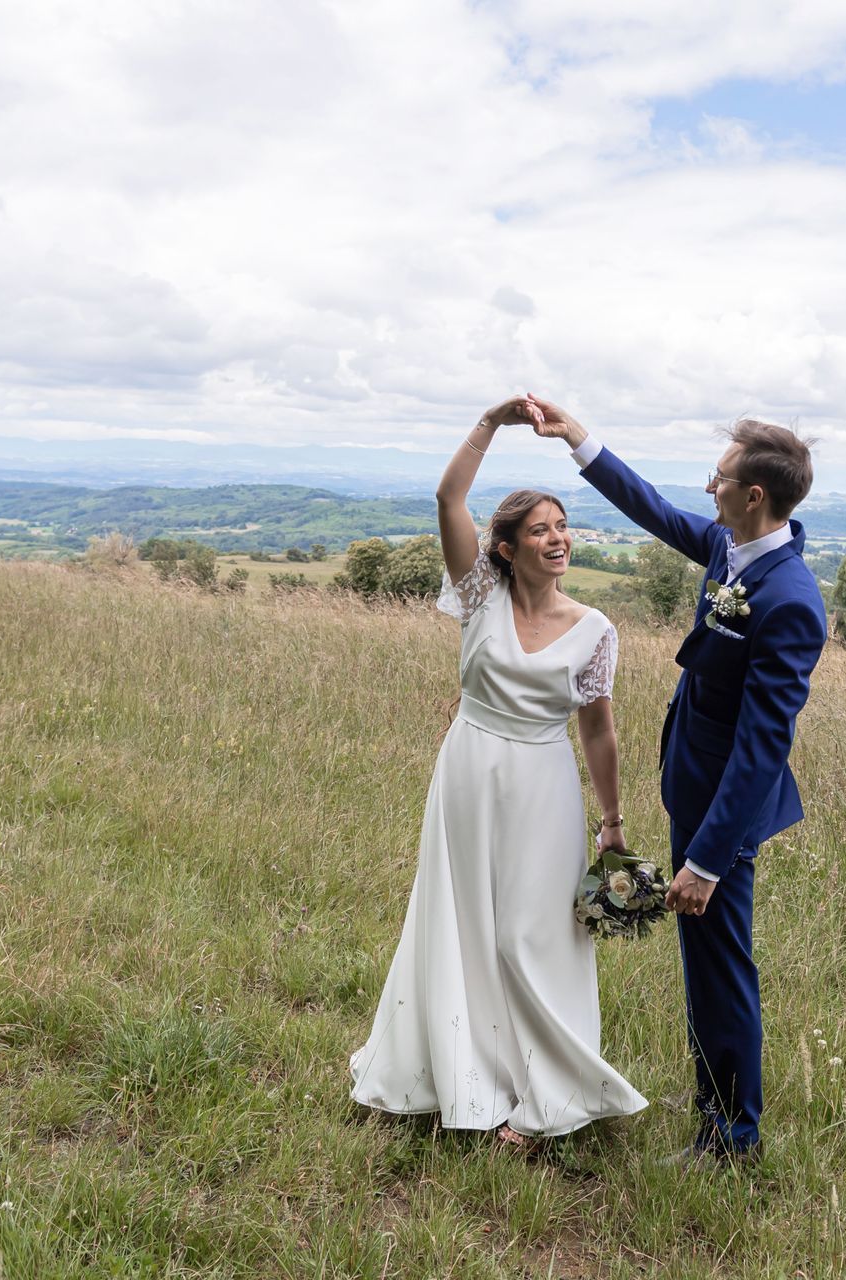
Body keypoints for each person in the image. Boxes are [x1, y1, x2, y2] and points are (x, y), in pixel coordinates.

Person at [526, 394, 826, 1166]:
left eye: (718, 478)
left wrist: (707, 861)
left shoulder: (790, 601)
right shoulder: (732, 549)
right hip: (692, 787)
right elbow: (653, 510)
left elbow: (763, 745)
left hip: (725, 812)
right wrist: (578, 440)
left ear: (752, 495)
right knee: (705, 964)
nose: (708, 488)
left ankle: (731, 1139)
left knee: (721, 969)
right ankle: (715, 1113)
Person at [348, 397, 648, 1146]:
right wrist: (490, 422)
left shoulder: (596, 630)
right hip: (468, 772)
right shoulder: (479, 596)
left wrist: (612, 820)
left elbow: (599, 729)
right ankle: (464, 1076)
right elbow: (449, 498)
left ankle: (552, 1098)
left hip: (545, 785)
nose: (557, 538)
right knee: (460, 924)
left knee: (531, 936)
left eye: (562, 526)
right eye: (540, 529)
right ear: (508, 549)